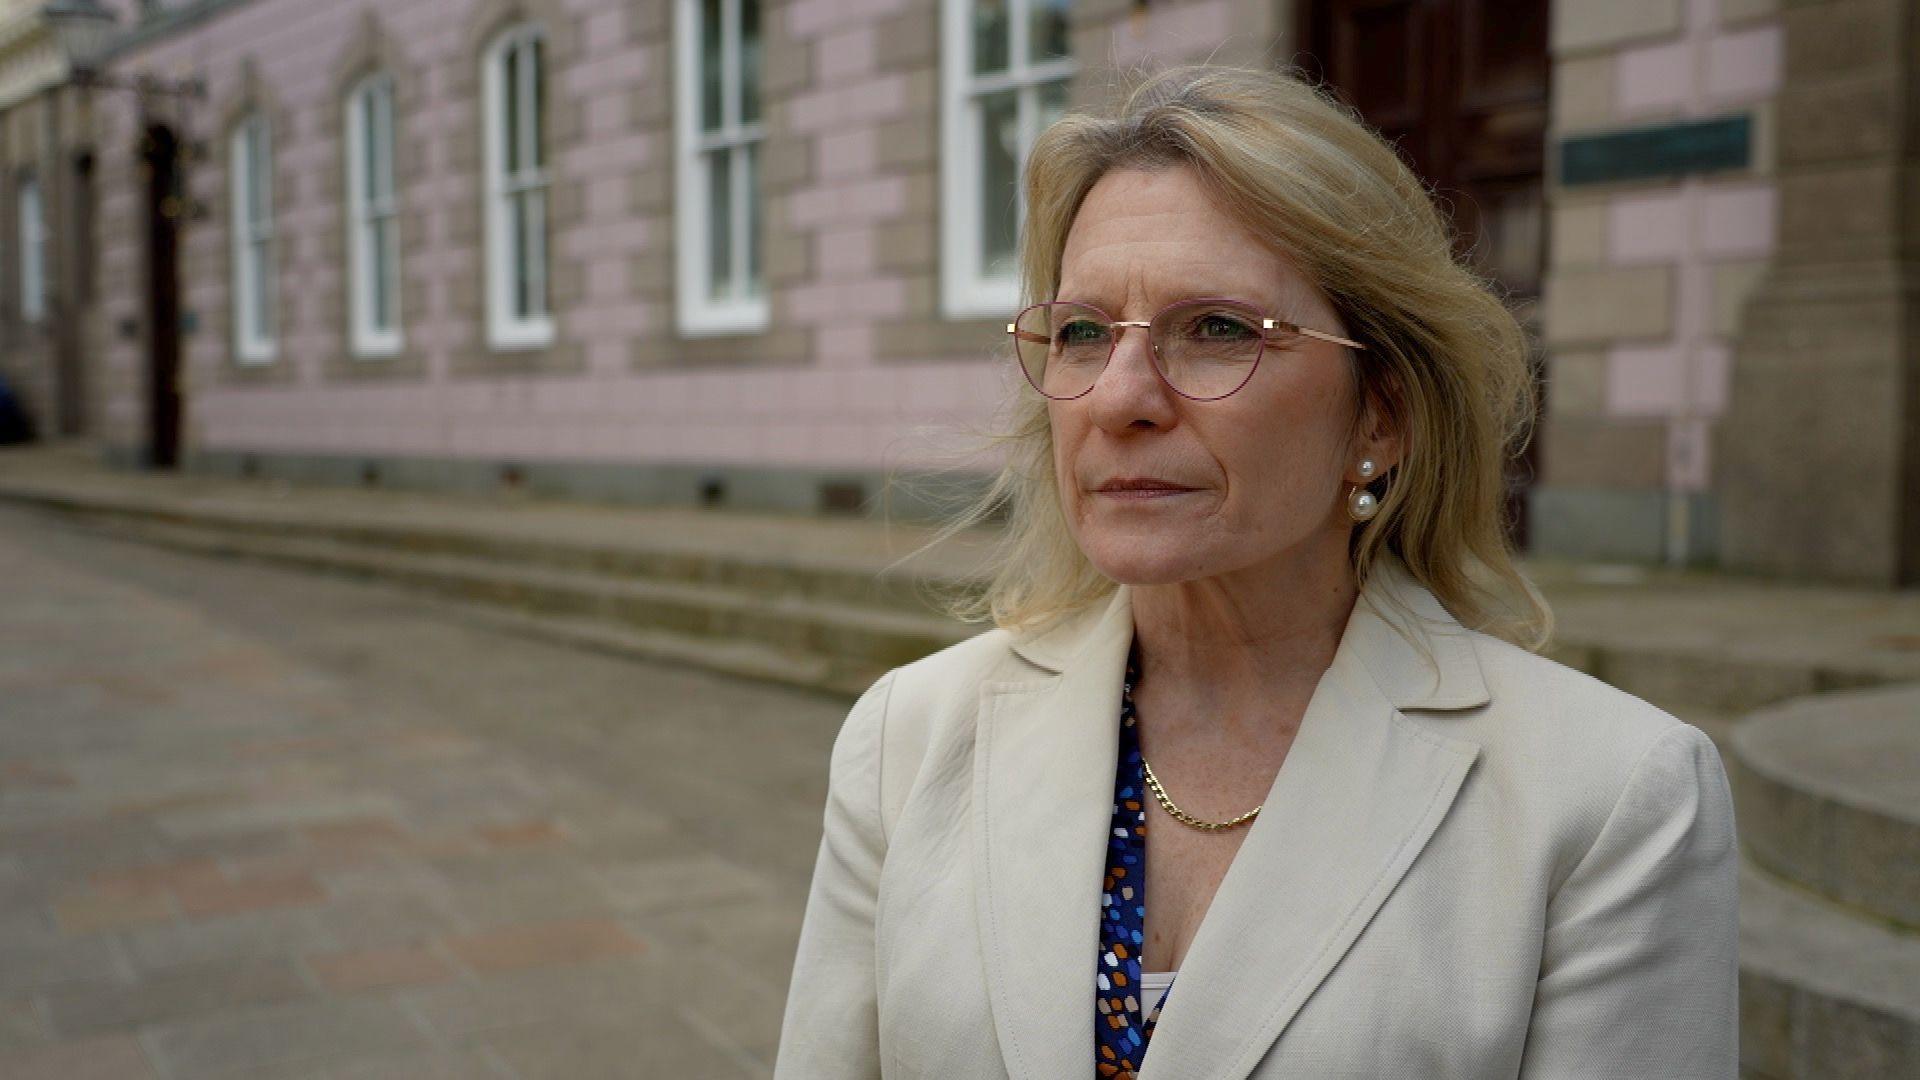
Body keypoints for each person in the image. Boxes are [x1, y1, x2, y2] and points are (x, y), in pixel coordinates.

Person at [773, 63, 1738, 1080]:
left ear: (1384, 412)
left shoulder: (1609, 800)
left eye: (1218, 329)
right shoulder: (911, 739)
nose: (1119, 398)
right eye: (1084, 332)